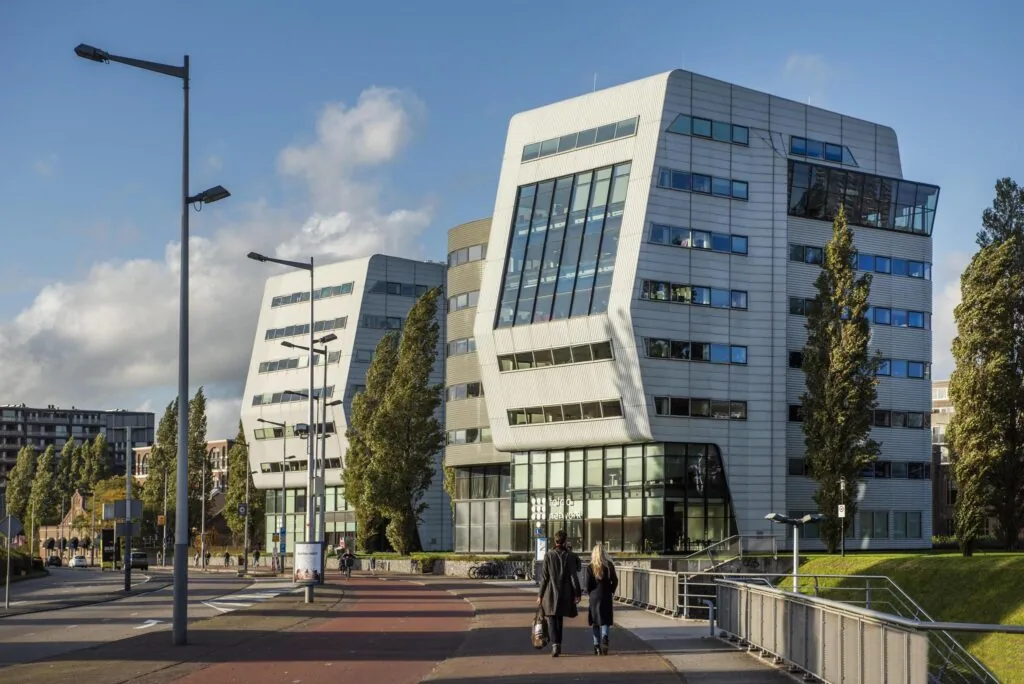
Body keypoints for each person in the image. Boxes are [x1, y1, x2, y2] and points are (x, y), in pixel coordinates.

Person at [537, 529, 582, 657]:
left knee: (552, 618)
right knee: (560, 619)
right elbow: (574, 576)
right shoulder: (570, 556)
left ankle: (555, 645)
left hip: (550, 592)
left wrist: (540, 595)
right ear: (565, 541)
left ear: (554, 540)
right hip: (565, 592)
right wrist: (577, 593)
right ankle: (558, 644)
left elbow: (544, 577)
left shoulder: (549, 555)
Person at [585, 543, 619, 656]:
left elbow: (587, 585)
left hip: (594, 597)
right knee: (605, 620)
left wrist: (591, 593)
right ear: (604, 553)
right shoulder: (609, 565)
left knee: (595, 622)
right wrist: (611, 590)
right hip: (606, 595)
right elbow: (615, 580)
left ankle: (596, 646)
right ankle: (605, 637)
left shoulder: (590, 567)